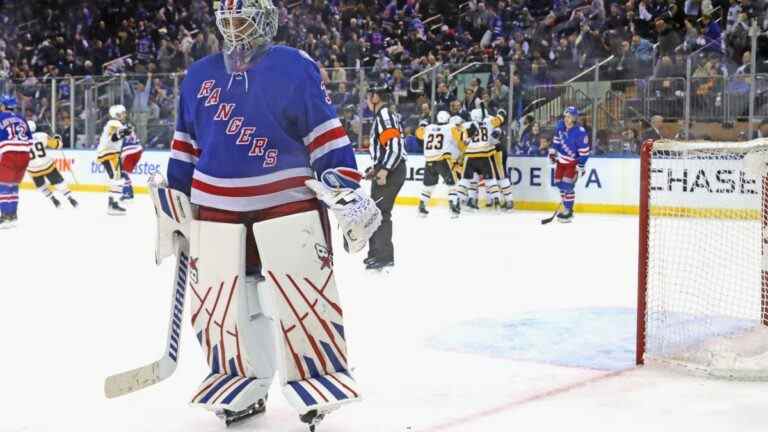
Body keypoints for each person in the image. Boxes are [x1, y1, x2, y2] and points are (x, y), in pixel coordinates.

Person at [156, 0, 379, 428]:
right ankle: (240, 379)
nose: (234, 28)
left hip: (286, 202)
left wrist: (345, 185)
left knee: (299, 295)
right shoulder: (199, 74)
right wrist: (175, 205)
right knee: (224, 303)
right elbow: (184, 145)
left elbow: (324, 131)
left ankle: (318, 375)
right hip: (215, 209)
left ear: (265, 19)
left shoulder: (295, 66)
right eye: (227, 20)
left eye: (242, 18)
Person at [365, 80, 407, 270]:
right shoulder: (383, 116)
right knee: (376, 212)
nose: (366, 100)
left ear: (375, 97)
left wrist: (384, 170)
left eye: (369, 95)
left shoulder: (384, 115)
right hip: (387, 169)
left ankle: (384, 256)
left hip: (391, 171)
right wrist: (376, 168)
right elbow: (388, 148)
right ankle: (376, 254)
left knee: (381, 213)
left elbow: (395, 148)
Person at [418, 110, 464, 218]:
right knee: (452, 184)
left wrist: (422, 124)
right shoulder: (450, 127)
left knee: (429, 186)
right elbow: (460, 138)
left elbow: (419, 134)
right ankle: (453, 206)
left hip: (429, 160)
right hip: (443, 159)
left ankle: (422, 205)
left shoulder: (428, 127)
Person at [457, 108, 505, 210]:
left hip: (470, 156)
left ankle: (458, 201)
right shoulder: (489, 122)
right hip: (484, 155)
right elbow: (500, 119)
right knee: (490, 180)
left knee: (465, 180)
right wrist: (500, 114)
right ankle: (496, 200)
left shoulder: (466, 125)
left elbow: (464, 141)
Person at [549, 106, 590, 223]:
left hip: (572, 163)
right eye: (566, 116)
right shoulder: (560, 125)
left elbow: (585, 152)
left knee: (567, 185)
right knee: (559, 183)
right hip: (560, 161)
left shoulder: (580, 132)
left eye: (570, 117)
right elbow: (556, 141)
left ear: (574, 118)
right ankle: (565, 206)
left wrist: (581, 166)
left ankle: (568, 210)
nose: (567, 119)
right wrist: (552, 153)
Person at [26, 120, 78, 208]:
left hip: (33, 168)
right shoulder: (42, 135)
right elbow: (57, 145)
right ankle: (70, 199)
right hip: (47, 165)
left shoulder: (20, 141)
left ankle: (53, 199)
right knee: (59, 182)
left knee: (41, 186)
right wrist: (57, 138)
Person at [0, 95, 32, 229]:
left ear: (3, 106)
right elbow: (30, 140)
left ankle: (6, 215)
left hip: (9, 153)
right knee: (13, 185)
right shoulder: (22, 119)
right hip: (24, 155)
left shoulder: (1, 117)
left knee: (3, 186)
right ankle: (13, 214)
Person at [97, 104, 132, 215]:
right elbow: (113, 137)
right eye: (122, 113)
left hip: (109, 153)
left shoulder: (114, 123)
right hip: (110, 153)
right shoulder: (114, 123)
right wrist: (124, 132)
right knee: (117, 178)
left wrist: (124, 131)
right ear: (117, 114)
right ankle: (113, 205)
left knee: (115, 178)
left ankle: (112, 203)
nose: (124, 115)